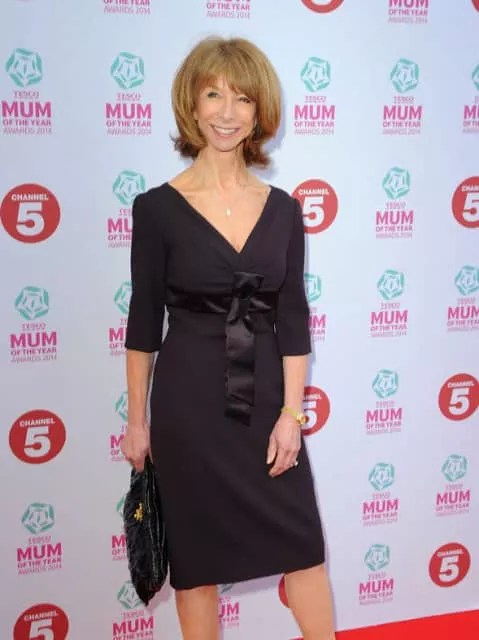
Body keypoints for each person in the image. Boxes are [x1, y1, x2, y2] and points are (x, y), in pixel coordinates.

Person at [121, 36, 335, 640]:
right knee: (197, 564)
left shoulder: (284, 209)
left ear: (259, 111)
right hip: (188, 409)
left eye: (242, 98)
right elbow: (143, 324)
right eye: (213, 94)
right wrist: (137, 422)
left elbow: (293, 318)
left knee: (304, 549)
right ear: (191, 104)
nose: (227, 112)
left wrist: (292, 414)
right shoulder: (157, 210)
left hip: (267, 402)